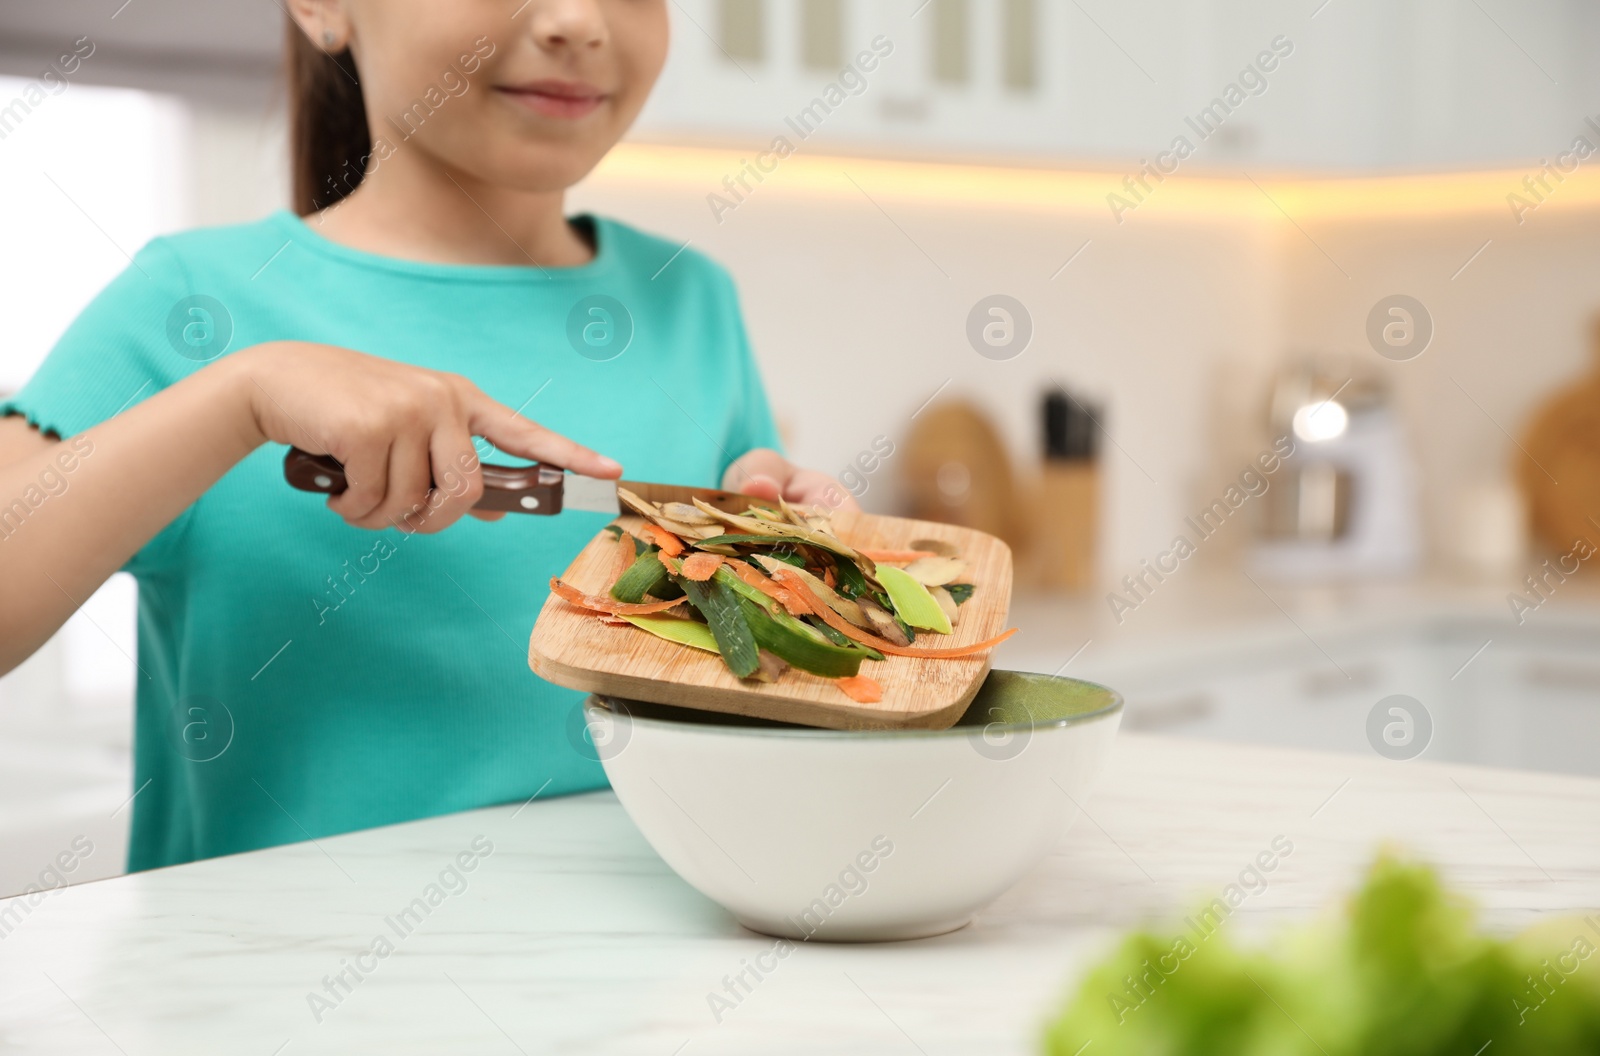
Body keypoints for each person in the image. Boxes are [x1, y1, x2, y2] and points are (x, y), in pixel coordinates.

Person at [0, 0, 851, 872]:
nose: (575, 21)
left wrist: (802, 564)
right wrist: (238, 398)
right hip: (267, 991)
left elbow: (749, 691)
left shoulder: (691, 300)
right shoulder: (190, 301)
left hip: (654, 985)